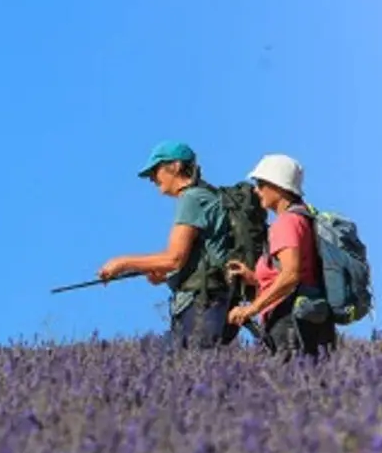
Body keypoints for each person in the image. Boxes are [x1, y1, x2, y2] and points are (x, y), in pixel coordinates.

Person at [97, 140, 240, 349]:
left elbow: (174, 258)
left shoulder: (191, 199)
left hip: (201, 304)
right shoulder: (207, 195)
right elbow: (202, 256)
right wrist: (165, 276)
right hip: (213, 302)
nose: (152, 178)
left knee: (183, 363)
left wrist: (122, 263)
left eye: (155, 170)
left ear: (175, 166)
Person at [226, 154, 338, 361]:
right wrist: (254, 278)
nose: (256, 190)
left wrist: (251, 309)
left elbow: (291, 275)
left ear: (278, 187)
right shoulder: (305, 216)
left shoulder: (287, 223)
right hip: (311, 316)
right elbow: (300, 271)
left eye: (260, 184)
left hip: (289, 320)